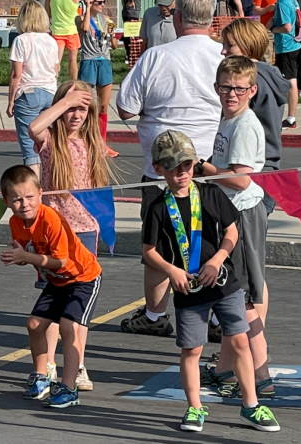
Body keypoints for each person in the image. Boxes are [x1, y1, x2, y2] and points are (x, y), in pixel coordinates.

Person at [143, 129, 280, 433]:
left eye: (187, 165)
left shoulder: (211, 193)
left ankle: (251, 405)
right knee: (192, 350)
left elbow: (232, 231)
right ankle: (194, 407)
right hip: (188, 287)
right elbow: (148, 250)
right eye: (173, 167)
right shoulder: (158, 207)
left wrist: (218, 259)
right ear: (158, 168)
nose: (182, 172)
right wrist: (172, 271)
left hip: (224, 282)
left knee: (240, 340)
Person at [116, 0, 223, 336]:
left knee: (158, 243)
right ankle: (217, 316)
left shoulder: (156, 56)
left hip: (162, 169)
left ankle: (154, 314)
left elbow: (125, 107)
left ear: (177, 18)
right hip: (211, 164)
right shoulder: (223, 56)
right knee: (211, 240)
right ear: (212, 21)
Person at [28, 80, 113, 391]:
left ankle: (77, 365)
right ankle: (49, 363)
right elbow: (33, 128)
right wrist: (64, 102)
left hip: (85, 231)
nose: (76, 114)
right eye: (70, 108)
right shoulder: (50, 141)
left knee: (79, 303)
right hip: (53, 233)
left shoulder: (93, 143)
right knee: (52, 302)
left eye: (82, 109)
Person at [199, 56, 275, 400]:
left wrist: (203, 169)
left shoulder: (244, 124)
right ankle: (226, 369)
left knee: (242, 299)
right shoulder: (229, 118)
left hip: (243, 213)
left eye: (239, 89)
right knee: (235, 295)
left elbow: (242, 179)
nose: (231, 94)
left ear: (252, 91)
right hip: (232, 211)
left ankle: (260, 375)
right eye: (225, 87)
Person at [0, 165, 102, 408]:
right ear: (6, 201)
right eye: (17, 199)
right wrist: (18, 258)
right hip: (58, 281)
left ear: (40, 193)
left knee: (68, 327)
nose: (24, 204)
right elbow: (30, 254)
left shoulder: (51, 220)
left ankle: (69, 387)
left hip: (83, 278)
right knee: (35, 324)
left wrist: (25, 257)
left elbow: (60, 261)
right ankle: (41, 376)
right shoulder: (16, 223)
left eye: (29, 197)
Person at [218, 19, 290, 341]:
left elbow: (253, 141)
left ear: (247, 46)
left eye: (229, 45)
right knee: (250, 272)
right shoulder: (268, 76)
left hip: (254, 180)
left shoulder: (252, 83)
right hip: (261, 174)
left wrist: (212, 170)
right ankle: (243, 345)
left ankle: (252, 345)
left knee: (249, 275)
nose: (223, 51)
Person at [7, 0, 59, 177]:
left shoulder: (21, 40)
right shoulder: (51, 41)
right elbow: (56, 70)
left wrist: (11, 101)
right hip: (50, 92)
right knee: (48, 143)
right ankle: (51, 181)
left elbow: (17, 75)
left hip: (28, 93)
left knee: (30, 149)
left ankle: (34, 184)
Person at [76, 0, 119, 157]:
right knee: (85, 104)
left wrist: (112, 35)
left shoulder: (105, 19)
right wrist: (87, 8)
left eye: (103, 2)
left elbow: (114, 45)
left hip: (104, 61)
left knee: (103, 106)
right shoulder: (80, 18)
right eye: (99, 2)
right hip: (89, 61)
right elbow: (85, 28)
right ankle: (84, 142)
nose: (102, 5)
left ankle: (102, 144)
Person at [266, 0, 301, 129]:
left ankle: (291, 119)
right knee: (287, 80)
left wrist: (271, 28)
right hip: (294, 44)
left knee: (290, 82)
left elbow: (287, 28)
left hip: (286, 47)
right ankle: (289, 117)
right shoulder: (293, 1)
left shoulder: (283, 3)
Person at [46, 0, 81, 80]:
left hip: (57, 31)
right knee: (73, 60)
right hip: (72, 31)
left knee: (56, 61)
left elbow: (47, 6)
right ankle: (74, 82)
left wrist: (49, 18)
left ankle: (52, 82)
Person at [121, 0, 140, 65]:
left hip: (130, 10)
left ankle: (131, 55)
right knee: (129, 34)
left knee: (130, 34)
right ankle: (130, 55)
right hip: (129, 10)